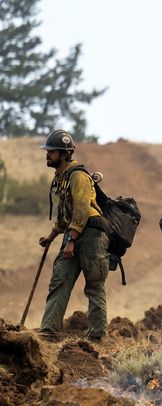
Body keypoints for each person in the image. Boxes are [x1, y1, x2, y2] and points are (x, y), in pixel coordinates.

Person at [37, 130, 109, 341]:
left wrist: (71, 240)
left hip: (91, 235)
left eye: (52, 152)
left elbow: (81, 210)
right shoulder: (62, 178)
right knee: (59, 281)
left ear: (64, 153)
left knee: (94, 286)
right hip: (75, 233)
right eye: (48, 151)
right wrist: (51, 237)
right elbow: (64, 215)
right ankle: (48, 333)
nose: (47, 155)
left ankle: (97, 338)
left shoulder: (77, 175)